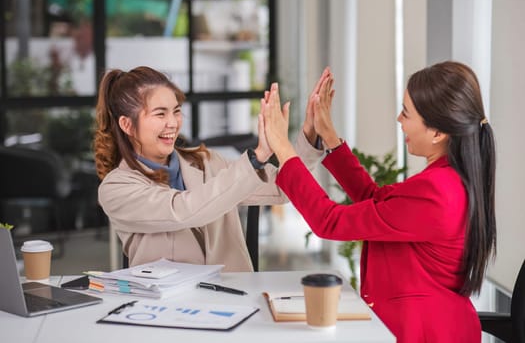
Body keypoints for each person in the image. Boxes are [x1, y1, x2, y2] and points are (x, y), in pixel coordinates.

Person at [261, 62, 496, 342]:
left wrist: (284, 149)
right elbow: (378, 203)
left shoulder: (436, 191)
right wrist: (329, 136)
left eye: (406, 113)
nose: (399, 119)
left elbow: (330, 221)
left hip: (426, 332)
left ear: (437, 133)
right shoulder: (448, 179)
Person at [93, 66, 327, 271]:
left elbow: (284, 188)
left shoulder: (207, 162)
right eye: (160, 114)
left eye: (176, 111)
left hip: (234, 297)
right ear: (127, 125)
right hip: (167, 310)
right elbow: (184, 210)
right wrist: (257, 157)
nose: (173, 123)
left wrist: (310, 133)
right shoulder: (116, 188)